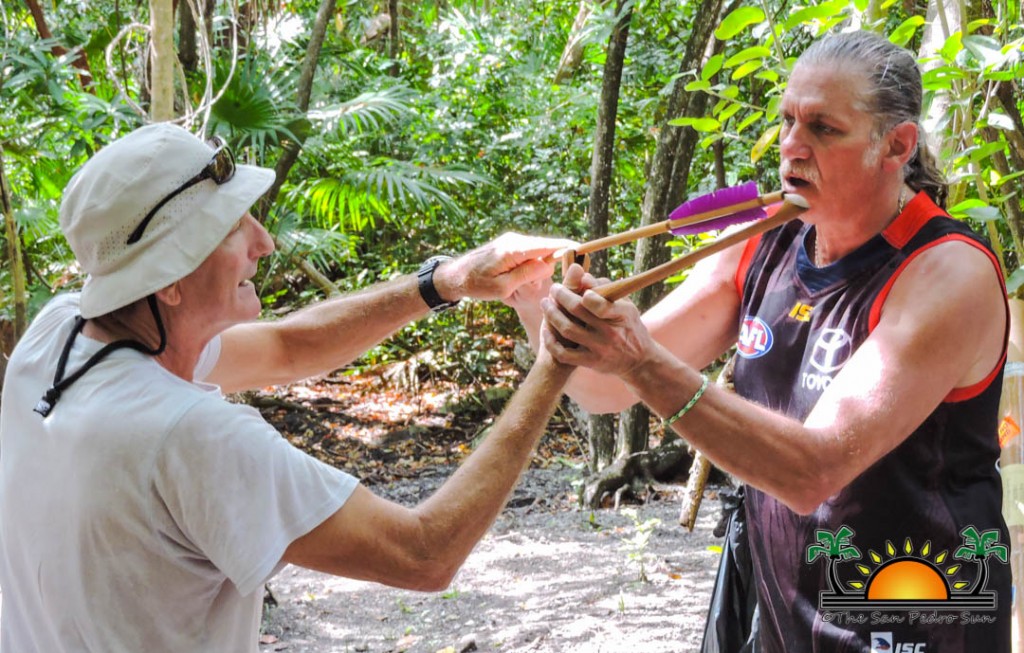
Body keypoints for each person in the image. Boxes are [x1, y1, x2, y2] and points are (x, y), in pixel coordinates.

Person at [511, 30, 1011, 651]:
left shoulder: (948, 271)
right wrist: (531, 294)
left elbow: (812, 471)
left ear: (896, 146)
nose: (792, 147)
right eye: (787, 120)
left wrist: (641, 362)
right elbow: (600, 387)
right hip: (789, 621)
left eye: (823, 128)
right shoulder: (761, 239)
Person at [0, 122, 576, 652]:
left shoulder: (59, 336)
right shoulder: (192, 436)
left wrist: (447, 281)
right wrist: (553, 361)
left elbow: (286, 347)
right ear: (169, 281)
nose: (263, 241)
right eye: (232, 227)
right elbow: (423, 554)